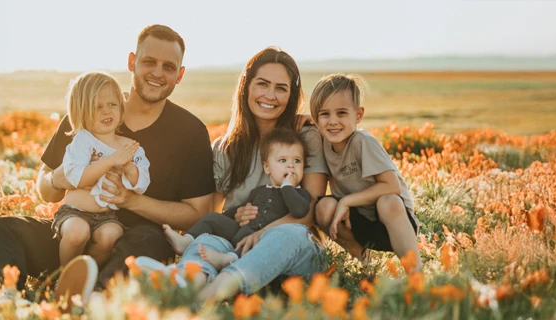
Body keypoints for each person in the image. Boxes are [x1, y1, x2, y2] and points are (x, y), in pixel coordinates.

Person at [0, 25, 214, 302]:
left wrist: (131, 201)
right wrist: (58, 179)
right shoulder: (89, 112)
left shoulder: (190, 131)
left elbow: (197, 213)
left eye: (168, 67)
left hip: (133, 246)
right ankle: (13, 300)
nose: (157, 73)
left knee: (151, 241)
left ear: (180, 75)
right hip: (73, 236)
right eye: (149, 62)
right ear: (131, 62)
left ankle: (90, 299)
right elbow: (46, 187)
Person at [159, 47, 329, 302]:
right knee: (207, 239)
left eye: (281, 88)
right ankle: (186, 287)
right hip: (237, 246)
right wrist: (235, 215)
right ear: (246, 87)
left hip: (293, 251)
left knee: (287, 235)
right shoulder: (226, 147)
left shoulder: (305, 137)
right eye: (262, 84)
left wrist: (260, 234)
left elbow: (308, 214)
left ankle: (211, 295)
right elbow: (211, 211)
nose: (270, 95)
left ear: (291, 95)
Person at [310, 74, 421, 268]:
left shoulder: (363, 142)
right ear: (316, 119)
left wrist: (346, 200)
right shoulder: (324, 145)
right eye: (325, 114)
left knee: (389, 201)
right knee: (323, 207)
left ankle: (415, 273)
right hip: (358, 222)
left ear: (358, 115)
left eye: (342, 113)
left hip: (393, 223)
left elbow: (391, 186)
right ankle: (364, 265)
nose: (333, 121)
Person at [163, 128, 311, 268]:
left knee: (251, 243)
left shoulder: (301, 194)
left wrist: (287, 186)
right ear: (267, 168)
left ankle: (229, 259)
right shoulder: (259, 191)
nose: (291, 166)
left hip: (263, 239)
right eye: (283, 161)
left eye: (297, 161)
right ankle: (187, 241)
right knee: (212, 218)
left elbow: (299, 210)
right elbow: (237, 210)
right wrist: (233, 215)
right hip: (241, 231)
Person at [52, 71, 151, 267]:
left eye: (112, 105)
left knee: (111, 235)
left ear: (121, 108)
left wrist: (129, 167)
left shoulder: (130, 146)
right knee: (77, 233)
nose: (107, 112)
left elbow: (142, 184)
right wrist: (110, 160)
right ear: (81, 112)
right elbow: (77, 178)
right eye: (97, 107)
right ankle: (63, 276)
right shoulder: (83, 140)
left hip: (106, 216)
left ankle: (88, 274)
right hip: (74, 212)